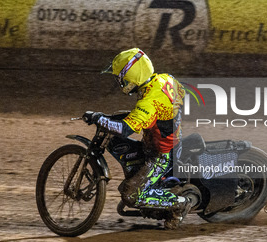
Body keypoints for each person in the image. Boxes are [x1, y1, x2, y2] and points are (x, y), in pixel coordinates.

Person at [82, 48, 191, 229]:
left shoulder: (149, 101)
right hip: (164, 141)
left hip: (161, 155)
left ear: (133, 75)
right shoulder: (165, 79)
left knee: (131, 194)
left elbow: (125, 129)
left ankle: (180, 203)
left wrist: (98, 118)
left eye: (121, 78)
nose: (120, 82)